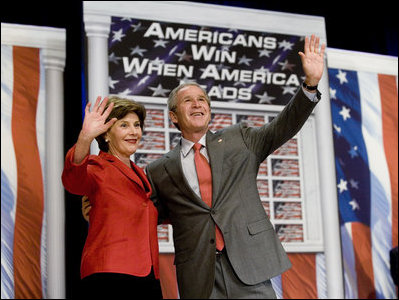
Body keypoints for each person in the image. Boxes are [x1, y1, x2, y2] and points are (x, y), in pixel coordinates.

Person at [82, 34, 325, 298]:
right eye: (188, 101)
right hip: (199, 275)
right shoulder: (159, 170)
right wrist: (102, 207)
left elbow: (283, 126)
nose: (198, 104)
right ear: (174, 116)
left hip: (249, 266)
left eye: (202, 100)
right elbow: (144, 211)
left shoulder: (239, 139)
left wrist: (310, 85)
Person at [62, 97, 162, 299]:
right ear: (106, 134)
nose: (134, 131)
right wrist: (85, 137)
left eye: (137, 125)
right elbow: (73, 180)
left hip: (147, 274)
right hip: (110, 274)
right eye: (124, 125)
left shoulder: (140, 175)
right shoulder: (97, 167)